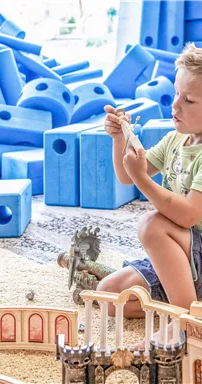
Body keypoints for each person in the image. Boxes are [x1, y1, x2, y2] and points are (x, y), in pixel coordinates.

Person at [98, 43, 202, 322]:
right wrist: (120, 138)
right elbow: (125, 176)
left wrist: (142, 179)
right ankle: (188, 301)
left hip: (197, 251)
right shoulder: (174, 141)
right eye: (177, 94)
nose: (175, 104)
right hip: (181, 256)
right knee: (109, 294)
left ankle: (185, 325)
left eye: (189, 100)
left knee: (152, 224)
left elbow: (190, 214)